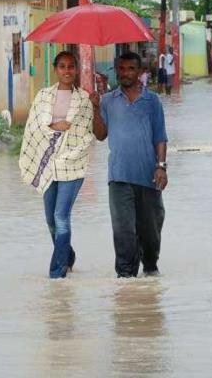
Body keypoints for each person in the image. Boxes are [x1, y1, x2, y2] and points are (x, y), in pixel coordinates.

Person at [91, 52, 168, 278]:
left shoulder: (151, 101)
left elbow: (160, 137)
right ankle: (126, 283)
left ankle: (151, 271)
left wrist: (161, 166)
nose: (125, 74)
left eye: (130, 69)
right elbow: (100, 135)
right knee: (123, 231)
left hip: (148, 176)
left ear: (140, 72)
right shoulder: (108, 100)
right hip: (119, 177)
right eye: (121, 69)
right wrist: (95, 109)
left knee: (151, 233)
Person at [19, 51, 95, 279]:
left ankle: (57, 274)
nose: (67, 71)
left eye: (71, 66)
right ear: (56, 69)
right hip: (48, 164)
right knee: (50, 220)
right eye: (62, 66)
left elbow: (85, 133)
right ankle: (68, 255)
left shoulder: (84, 99)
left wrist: (94, 107)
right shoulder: (42, 96)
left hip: (72, 163)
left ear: (77, 69)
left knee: (62, 217)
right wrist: (55, 124)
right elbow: (33, 128)